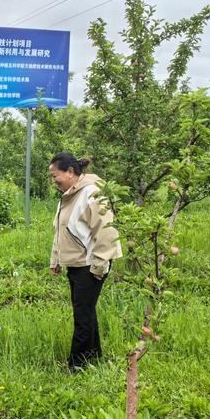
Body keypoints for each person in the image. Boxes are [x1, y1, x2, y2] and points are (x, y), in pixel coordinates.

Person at [48, 152, 122, 372]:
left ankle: (77, 365)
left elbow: (106, 231)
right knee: (86, 310)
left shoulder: (92, 193)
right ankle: (93, 355)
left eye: (55, 175)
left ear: (70, 172)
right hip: (77, 263)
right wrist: (56, 258)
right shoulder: (69, 194)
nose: (54, 181)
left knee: (83, 314)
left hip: (90, 263)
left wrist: (99, 264)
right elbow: (61, 229)